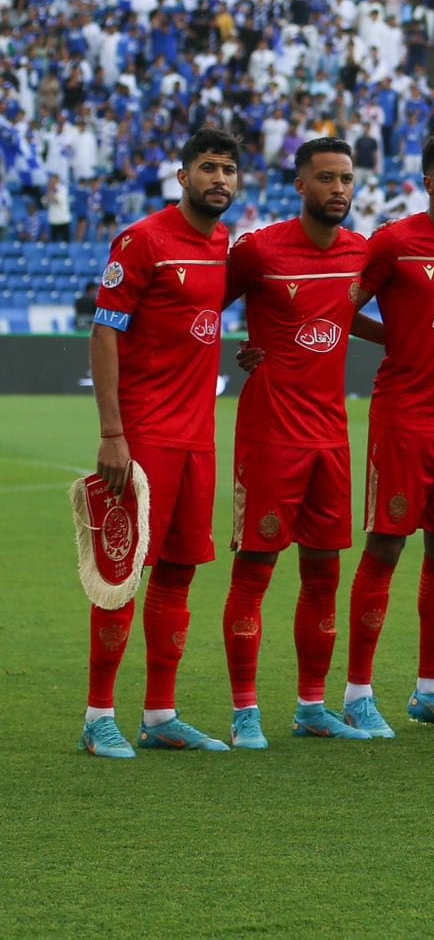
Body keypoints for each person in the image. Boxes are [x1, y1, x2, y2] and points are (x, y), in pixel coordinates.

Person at [81, 127, 240, 758]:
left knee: (178, 574)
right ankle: (98, 718)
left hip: (198, 439)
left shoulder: (224, 242)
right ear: (182, 176)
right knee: (122, 578)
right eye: (207, 168)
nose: (219, 180)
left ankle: (160, 714)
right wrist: (113, 434)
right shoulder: (143, 240)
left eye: (228, 169)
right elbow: (105, 331)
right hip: (143, 436)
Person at [338, 131, 434, 737]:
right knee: (386, 547)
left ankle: (432, 691)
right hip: (405, 418)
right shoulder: (395, 241)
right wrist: (395, 339)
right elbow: (341, 305)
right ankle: (357, 694)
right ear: (428, 181)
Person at [220, 137, 373, 745]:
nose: (339, 190)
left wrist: (403, 342)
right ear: (300, 185)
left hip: (331, 438)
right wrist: (232, 350)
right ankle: (245, 711)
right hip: (270, 435)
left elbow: (345, 313)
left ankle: (312, 706)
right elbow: (202, 306)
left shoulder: (362, 252)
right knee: (254, 571)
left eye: (347, 180)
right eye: (327, 179)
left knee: (324, 575)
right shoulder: (259, 251)